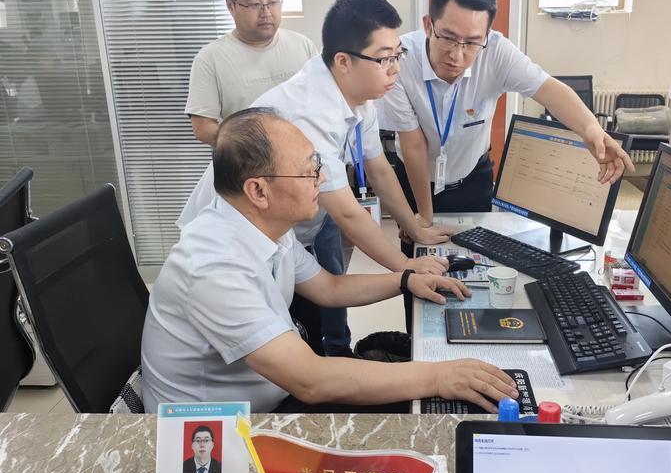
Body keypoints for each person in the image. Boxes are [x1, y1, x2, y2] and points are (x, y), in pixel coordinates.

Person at [142, 108, 518, 413]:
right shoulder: (212, 267)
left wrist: (405, 280)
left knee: (423, 385)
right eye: (308, 171)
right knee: (433, 401)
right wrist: (438, 377)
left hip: (272, 394)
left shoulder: (265, 225)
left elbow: (328, 288)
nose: (321, 179)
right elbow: (312, 380)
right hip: (226, 429)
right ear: (258, 190)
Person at [177, 0, 452, 356]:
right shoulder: (309, 114)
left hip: (283, 233)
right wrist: (406, 266)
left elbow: (379, 169)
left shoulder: (357, 96)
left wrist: (415, 231)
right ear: (343, 61)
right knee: (280, 339)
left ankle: (330, 353)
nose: (395, 69)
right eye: (384, 58)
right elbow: (346, 212)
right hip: (238, 236)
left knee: (318, 303)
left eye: (398, 54)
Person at [379, 0, 635, 227]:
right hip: (414, 179)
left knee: (476, 247)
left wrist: (590, 128)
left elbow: (549, 89)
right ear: (428, 25)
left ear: (487, 36)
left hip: (472, 178)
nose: (457, 55)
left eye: (472, 43)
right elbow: (413, 145)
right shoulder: (400, 59)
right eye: (448, 38)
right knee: (417, 247)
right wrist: (425, 216)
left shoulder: (497, 52)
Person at [185, 0, 316, 145]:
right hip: (249, 159)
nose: (266, 13)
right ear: (231, 5)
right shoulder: (210, 59)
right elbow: (203, 127)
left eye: (272, 2)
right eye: (255, 4)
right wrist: (252, 146)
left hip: (304, 156)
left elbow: (321, 100)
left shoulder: (302, 45)